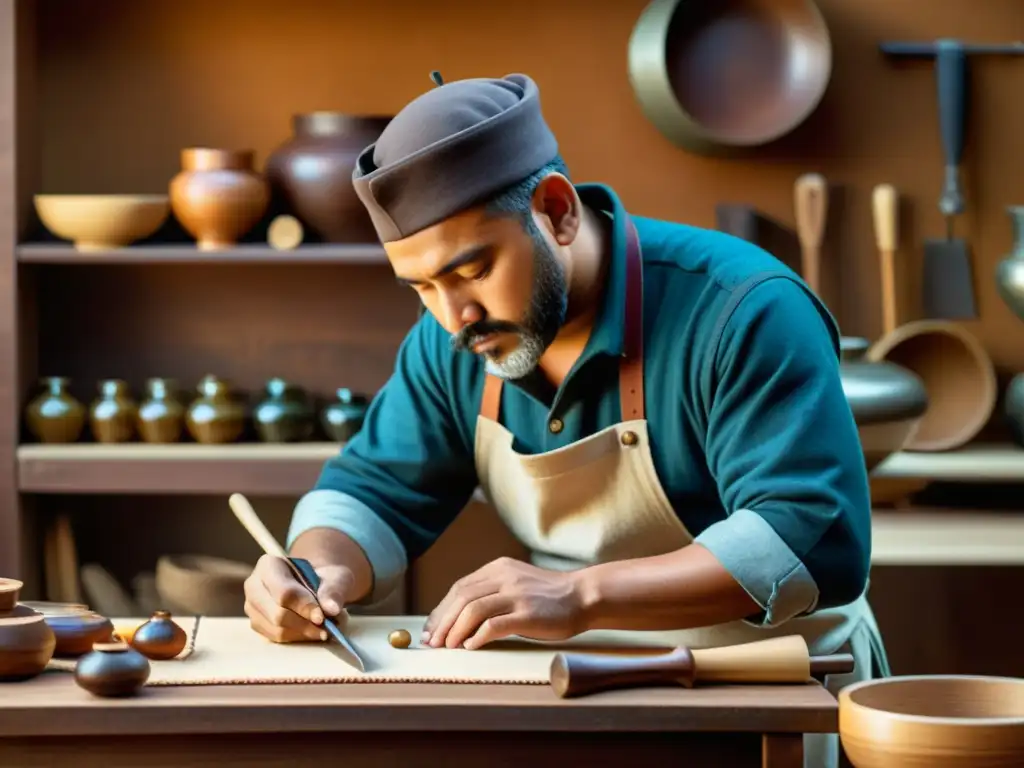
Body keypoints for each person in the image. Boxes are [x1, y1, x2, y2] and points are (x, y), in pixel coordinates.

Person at [242, 71, 888, 768]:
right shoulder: (455, 341)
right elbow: (371, 490)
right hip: (577, 695)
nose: (452, 317)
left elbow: (807, 538)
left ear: (556, 210)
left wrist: (580, 595)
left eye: (473, 269)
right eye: (422, 287)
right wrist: (316, 569)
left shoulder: (742, 308)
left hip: (770, 692)